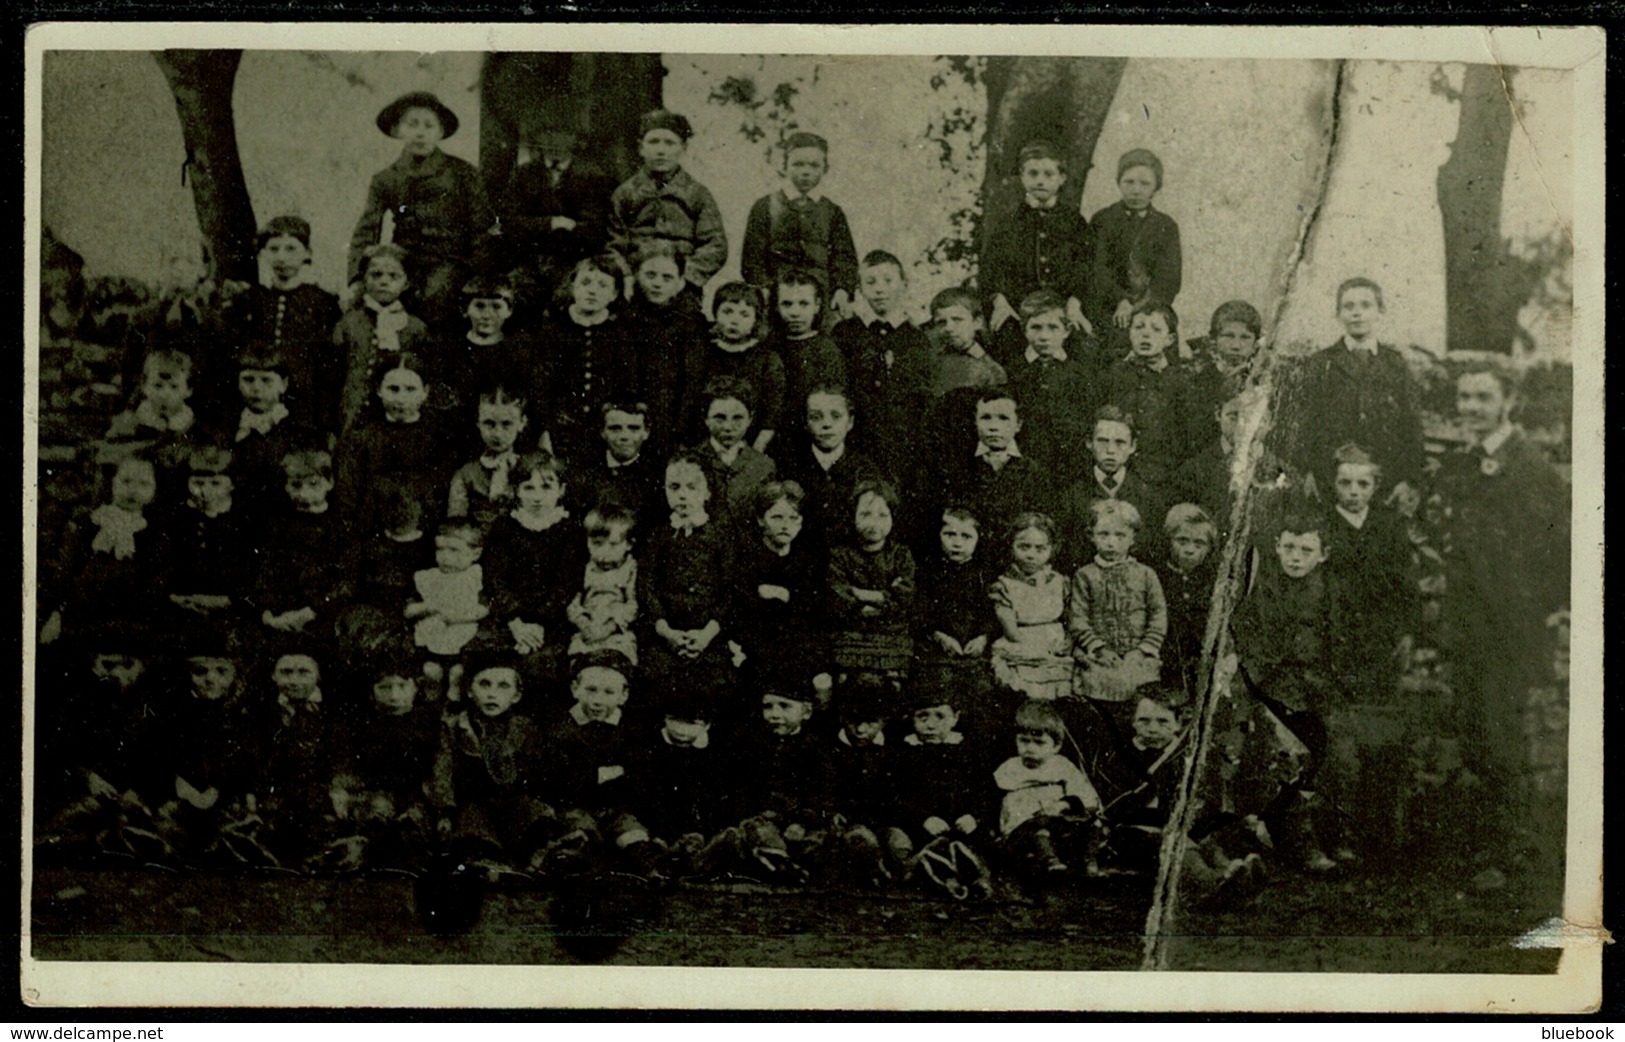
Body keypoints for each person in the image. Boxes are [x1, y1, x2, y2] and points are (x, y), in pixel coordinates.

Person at [1432, 364, 1569, 893]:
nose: (1470, 407)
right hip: (1469, 622)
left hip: (1510, 623)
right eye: (1464, 397)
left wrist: (1539, 608)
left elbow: (1554, 547)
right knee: (1472, 730)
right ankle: (1491, 844)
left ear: (1507, 400)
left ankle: (1510, 851)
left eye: (1482, 397)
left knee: (1500, 733)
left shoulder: (1530, 467)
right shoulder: (1462, 462)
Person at [1231, 514, 1347, 871]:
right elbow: (1254, 645)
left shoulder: (1330, 590)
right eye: (1289, 548)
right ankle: (1303, 842)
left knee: (1341, 750)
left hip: (1320, 686)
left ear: (1322, 554)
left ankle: (1338, 834)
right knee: (1288, 751)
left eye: (1306, 549)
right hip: (1275, 685)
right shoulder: (1263, 589)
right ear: (1277, 547)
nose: (1296, 557)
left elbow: (1339, 643)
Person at [348, 92, 493, 332]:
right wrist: (355, 278)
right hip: (405, 261)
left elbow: (482, 228)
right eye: (411, 124)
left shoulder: (463, 173)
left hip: (452, 263)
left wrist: (479, 276)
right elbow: (367, 229)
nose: (420, 133)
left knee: (436, 299)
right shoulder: (387, 178)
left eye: (429, 125)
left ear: (441, 132)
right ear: (397, 130)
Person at [1283, 277, 1425, 499]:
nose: (1357, 313)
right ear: (1338, 314)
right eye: (1348, 307)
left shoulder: (1395, 363)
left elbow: (1412, 423)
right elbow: (1305, 421)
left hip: (1385, 478)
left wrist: (1409, 478)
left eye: (1366, 305)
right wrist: (1307, 471)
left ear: (1381, 311)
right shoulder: (1321, 363)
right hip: (1331, 477)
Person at [535, 652, 660, 878]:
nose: (598, 700)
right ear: (575, 689)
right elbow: (557, 779)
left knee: (631, 832)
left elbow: (639, 773)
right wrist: (602, 774)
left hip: (616, 807)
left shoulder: (631, 731)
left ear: (623, 695)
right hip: (575, 805)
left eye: (608, 692)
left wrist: (612, 777)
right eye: (591, 690)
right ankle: (580, 865)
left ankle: (650, 867)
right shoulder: (561, 730)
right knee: (580, 831)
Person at [216, 215, 344, 432]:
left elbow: (330, 364)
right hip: (256, 401)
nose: (282, 257)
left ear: (307, 254)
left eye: (291, 249)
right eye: (274, 249)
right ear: (263, 253)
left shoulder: (323, 303)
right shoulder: (249, 300)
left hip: (305, 406)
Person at [428, 651, 549, 872]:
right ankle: (489, 861)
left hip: (512, 802)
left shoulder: (524, 727)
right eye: (485, 685)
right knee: (471, 827)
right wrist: (444, 810)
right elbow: (442, 767)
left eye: (503, 686)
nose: (492, 694)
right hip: (474, 802)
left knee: (538, 817)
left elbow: (536, 770)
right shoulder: (455, 726)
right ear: (469, 691)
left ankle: (533, 860)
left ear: (516, 695)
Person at [326, 642, 441, 871]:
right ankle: (361, 849)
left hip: (416, 791)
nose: (394, 695)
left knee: (413, 819)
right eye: (385, 687)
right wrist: (340, 788)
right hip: (373, 789)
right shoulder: (362, 723)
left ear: (416, 688)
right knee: (376, 811)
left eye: (401, 686)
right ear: (372, 691)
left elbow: (439, 764)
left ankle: (405, 850)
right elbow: (346, 761)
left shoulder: (428, 722)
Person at [983, 140, 1094, 370]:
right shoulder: (1008, 223)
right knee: (1006, 351)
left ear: (1061, 178)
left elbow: (1085, 266)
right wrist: (1000, 301)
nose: (1040, 180)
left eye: (1048, 174)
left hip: (1063, 312)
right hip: (1018, 312)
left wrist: (1075, 302)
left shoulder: (1075, 222)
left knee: (1081, 351)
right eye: (1033, 174)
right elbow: (991, 267)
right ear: (1022, 176)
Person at [608, 109, 728, 310]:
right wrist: (626, 276)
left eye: (669, 143)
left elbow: (716, 245)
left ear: (683, 148)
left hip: (682, 287)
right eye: (653, 142)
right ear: (640, 148)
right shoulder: (625, 193)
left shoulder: (697, 194)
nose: (661, 150)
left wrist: (683, 277)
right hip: (634, 285)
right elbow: (612, 243)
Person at [638, 453, 735, 699]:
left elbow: (730, 591)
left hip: (709, 637)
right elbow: (646, 586)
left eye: (692, 487)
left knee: (716, 682)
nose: (682, 495)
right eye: (674, 487)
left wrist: (706, 634)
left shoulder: (721, 537)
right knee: (655, 678)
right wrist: (666, 631)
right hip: (664, 635)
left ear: (708, 491)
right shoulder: (657, 536)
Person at [40, 456, 165, 646]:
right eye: (126, 481)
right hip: (85, 610)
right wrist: (58, 612)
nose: (133, 490)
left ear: (155, 490)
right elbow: (68, 569)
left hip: (131, 615)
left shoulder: (153, 533)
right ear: (112, 482)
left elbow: (155, 578)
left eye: (143, 484)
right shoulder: (91, 523)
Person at [831, 250, 935, 480]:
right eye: (870, 282)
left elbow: (921, 394)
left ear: (903, 284)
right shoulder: (846, 333)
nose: (879, 289)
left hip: (904, 444)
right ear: (859, 288)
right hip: (859, 441)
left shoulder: (916, 338)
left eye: (888, 280)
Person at [493, 112, 619, 299]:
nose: (555, 141)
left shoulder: (594, 177)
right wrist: (551, 223)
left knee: (569, 296)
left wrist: (572, 229)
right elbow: (510, 222)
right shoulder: (523, 174)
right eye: (547, 133)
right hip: (528, 261)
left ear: (576, 139)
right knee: (512, 295)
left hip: (573, 261)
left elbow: (594, 230)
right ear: (538, 138)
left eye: (565, 134)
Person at [741, 131, 860, 325]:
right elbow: (752, 258)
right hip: (776, 297)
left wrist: (842, 289)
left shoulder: (832, 211)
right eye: (798, 164)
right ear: (784, 166)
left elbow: (845, 257)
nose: (806, 172)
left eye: (814, 165)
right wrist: (764, 288)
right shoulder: (765, 207)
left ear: (825, 169)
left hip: (820, 299)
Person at [1068, 499, 1167, 731]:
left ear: (1132, 538)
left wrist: (1142, 649)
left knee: (1139, 694)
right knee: (1097, 693)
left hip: (1137, 655)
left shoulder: (1145, 574)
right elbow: (1078, 618)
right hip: (1101, 657)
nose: (1111, 542)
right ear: (1092, 536)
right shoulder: (1085, 575)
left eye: (1120, 535)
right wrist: (1099, 648)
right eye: (1104, 534)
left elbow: (1158, 614)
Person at [885, 681, 991, 898]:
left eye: (940, 717)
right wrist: (922, 819)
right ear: (912, 719)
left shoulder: (968, 751)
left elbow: (986, 791)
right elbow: (892, 796)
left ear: (955, 718)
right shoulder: (902, 753)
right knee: (898, 843)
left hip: (960, 827)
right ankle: (937, 873)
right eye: (922, 717)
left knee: (975, 847)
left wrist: (974, 817)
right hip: (919, 828)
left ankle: (976, 876)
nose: (930, 726)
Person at [333, 354, 457, 536]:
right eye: (393, 389)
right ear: (378, 389)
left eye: (410, 389)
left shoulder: (439, 440)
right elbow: (347, 497)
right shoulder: (362, 438)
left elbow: (441, 496)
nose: (401, 398)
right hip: (370, 535)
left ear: (425, 392)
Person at [535, 253, 637, 466]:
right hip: (560, 430)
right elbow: (541, 386)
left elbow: (627, 386)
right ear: (573, 286)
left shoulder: (619, 335)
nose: (592, 290)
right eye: (586, 282)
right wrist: (544, 431)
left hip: (601, 434)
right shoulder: (554, 330)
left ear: (614, 293)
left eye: (602, 285)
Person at [482, 451, 582, 667]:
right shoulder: (504, 527)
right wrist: (516, 623)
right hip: (509, 619)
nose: (537, 497)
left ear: (561, 490)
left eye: (546, 487)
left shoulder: (569, 531)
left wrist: (539, 623)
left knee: (543, 664)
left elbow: (567, 584)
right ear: (516, 491)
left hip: (553, 619)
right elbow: (494, 579)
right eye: (528, 488)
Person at [992, 699, 1102, 878]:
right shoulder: (1009, 767)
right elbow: (994, 797)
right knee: (1038, 832)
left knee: (1094, 825)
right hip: (1025, 824)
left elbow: (1085, 795)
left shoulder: (1062, 765)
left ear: (1056, 746)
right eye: (1024, 741)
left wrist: (1064, 804)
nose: (1030, 748)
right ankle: (1051, 862)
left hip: (1059, 821)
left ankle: (1089, 861)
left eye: (1039, 742)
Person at [729, 480, 825, 686]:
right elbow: (740, 612)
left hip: (796, 651)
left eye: (793, 518)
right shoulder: (748, 560)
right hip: (757, 650)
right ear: (760, 520)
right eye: (777, 517)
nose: (785, 525)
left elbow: (812, 611)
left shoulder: (806, 562)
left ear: (801, 522)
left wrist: (785, 595)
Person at [1088, 148, 1182, 356]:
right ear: (1118, 182)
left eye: (1145, 183)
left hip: (1151, 309)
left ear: (1156, 187)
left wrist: (1140, 308)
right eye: (1129, 182)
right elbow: (1098, 268)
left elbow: (1169, 279)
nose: (1136, 190)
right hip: (1108, 308)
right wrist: (1120, 300)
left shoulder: (1166, 226)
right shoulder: (1102, 220)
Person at [253, 450, 353, 640]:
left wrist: (310, 612)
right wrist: (267, 613)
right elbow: (265, 574)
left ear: (329, 482)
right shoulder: (277, 528)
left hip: (321, 615)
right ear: (286, 486)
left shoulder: (341, 529)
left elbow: (346, 583)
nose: (304, 492)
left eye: (313, 484)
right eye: (296, 485)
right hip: (279, 616)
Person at [333, 243, 430, 437]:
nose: (384, 281)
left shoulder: (415, 328)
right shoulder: (349, 323)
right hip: (351, 415)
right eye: (376, 275)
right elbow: (333, 375)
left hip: (394, 416)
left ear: (407, 283)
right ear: (364, 280)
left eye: (394, 276)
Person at [1004, 289, 1098, 487]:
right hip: (1025, 464)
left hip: (1069, 468)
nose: (1044, 336)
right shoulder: (1013, 371)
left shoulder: (1079, 374)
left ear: (1067, 331)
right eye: (1036, 327)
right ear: (1024, 330)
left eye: (1053, 328)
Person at [779, 386, 886, 556]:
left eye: (836, 416)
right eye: (816, 417)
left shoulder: (866, 471)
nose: (826, 424)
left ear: (850, 422)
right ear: (806, 422)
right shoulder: (789, 468)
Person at [1057, 405, 1166, 572]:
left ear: (1133, 446)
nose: (1110, 450)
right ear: (1089, 443)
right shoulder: (1071, 497)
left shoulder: (1147, 497)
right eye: (1102, 441)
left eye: (1120, 442)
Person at [621, 241, 707, 453]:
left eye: (667, 277)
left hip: (671, 423)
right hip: (627, 424)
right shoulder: (624, 320)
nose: (657, 283)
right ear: (637, 276)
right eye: (650, 275)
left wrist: (681, 432)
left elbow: (692, 384)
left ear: (680, 283)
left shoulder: (691, 325)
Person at [825, 479, 916, 679]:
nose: (874, 523)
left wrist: (862, 594)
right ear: (853, 516)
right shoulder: (841, 555)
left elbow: (905, 596)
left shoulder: (900, 555)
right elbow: (838, 596)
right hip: (851, 637)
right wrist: (885, 598)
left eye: (882, 515)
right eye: (865, 514)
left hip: (892, 636)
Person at [937, 392, 1054, 544]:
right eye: (985, 418)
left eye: (1003, 419)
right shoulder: (958, 467)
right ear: (975, 421)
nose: (994, 427)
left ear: (1018, 424)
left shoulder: (1034, 471)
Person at [683, 282, 785, 454]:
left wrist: (757, 447)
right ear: (716, 313)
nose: (734, 320)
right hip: (706, 441)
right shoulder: (703, 354)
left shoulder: (767, 359)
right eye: (727, 311)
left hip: (752, 443)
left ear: (755, 320)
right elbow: (691, 400)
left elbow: (773, 408)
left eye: (744, 314)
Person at [160, 445, 252, 633]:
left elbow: (249, 568)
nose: (205, 491)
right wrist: (176, 597)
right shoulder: (177, 519)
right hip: (182, 603)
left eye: (215, 483)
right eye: (198, 483)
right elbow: (165, 561)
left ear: (231, 484)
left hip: (230, 606)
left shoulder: (244, 521)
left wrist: (231, 599)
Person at [1101, 300, 1193, 479]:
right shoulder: (1114, 373)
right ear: (1129, 333)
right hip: (1119, 470)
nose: (1146, 335)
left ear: (1170, 339)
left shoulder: (1180, 380)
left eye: (1156, 330)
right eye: (1139, 327)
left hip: (1163, 473)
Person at [990, 512, 1072, 701]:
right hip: (1022, 645)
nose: (1031, 555)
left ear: (1051, 549)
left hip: (1055, 643)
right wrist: (1038, 651)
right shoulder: (1004, 585)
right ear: (1011, 546)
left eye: (1040, 548)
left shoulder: (1060, 582)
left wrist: (1067, 642)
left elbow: (1069, 618)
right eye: (1024, 547)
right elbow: (1011, 630)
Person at [914, 506, 997, 689]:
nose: (957, 543)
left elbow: (991, 613)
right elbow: (921, 612)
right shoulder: (928, 573)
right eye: (949, 534)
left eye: (966, 536)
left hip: (974, 650)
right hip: (937, 649)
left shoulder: (984, 575)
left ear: (978, 539)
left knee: (980, 686)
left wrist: (982, 638)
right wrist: (938, 635)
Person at [688, 376, 777, 530]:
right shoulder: (689, 461)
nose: (728, 427)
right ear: (706, 418)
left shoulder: (764, 466)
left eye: (737, 418)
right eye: (719, 418)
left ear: (750, 419)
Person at [764, 268, 848, 431]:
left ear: (817, 305)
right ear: (776, 307)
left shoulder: (827, 350)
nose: (795, 313)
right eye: (787, 304)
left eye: (804, 304)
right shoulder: (770, 347)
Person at [1156, 504, 1219, 699]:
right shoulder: (1156, 576)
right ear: (1168, 541)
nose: (1190, 550)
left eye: (1199, 544)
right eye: (1182, 541)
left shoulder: (1213, 580)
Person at [564, 504, 640, 667]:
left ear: (628, 544)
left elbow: (633, 605)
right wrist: (583, 623)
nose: (605, 552)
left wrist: (610, 627)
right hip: (588, 629)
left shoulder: (630, 569)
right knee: (579, 662)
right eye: (597, 544)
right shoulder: (584, 568)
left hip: (616, 631)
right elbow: (573, 602)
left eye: (613, 544)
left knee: (619, 661)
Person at [446, 384, 530, 527]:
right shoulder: (466, 474)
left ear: (522, 423)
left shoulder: (529, 470)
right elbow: (456, 520)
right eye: (489, 424)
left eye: (506, 424)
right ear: (478, 423)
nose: (497, 434)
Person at [572, 399, 663, 532]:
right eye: (615, 428)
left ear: (646, 432)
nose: (624, 436)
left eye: (633, 428)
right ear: (602, 432)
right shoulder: (584, 473)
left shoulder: (657, 477)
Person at [1185, 300, 1261, 452]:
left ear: (1255, 345)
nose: (1236, 346)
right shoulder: (1197, 382)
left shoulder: (1259, 382)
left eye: (1245, 337)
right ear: (1214, 340)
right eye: (1228, 336)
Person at [406, 520, 488, 660]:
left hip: (463, 631)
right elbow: (409, 610)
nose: (445, 556)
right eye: (440, 549)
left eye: (454, 550)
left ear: (476, 554)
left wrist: (455, 616)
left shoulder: (475, 577)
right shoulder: (427, 577)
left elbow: (483, 608)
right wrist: (427, 608)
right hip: (429, 634)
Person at [925, 286, 1007, 400]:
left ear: (977, 322)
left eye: (957, 320)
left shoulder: (991, 370)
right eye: (941, 322)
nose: (948, 328)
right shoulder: (930, 363)